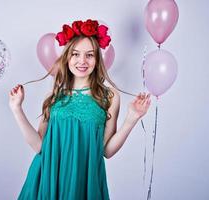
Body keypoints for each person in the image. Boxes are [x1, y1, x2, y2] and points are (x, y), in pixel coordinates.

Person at [9, 19, 151, 200]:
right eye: (75, 54)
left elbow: (106, 151)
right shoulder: (54, 96)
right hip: (48, 177)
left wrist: (132, 118)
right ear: (67, 57)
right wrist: (16, 108)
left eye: (89, 55)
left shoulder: (109, 96)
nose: (82, 61)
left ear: (97, 58)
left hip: (84, 181)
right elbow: (39, 146)